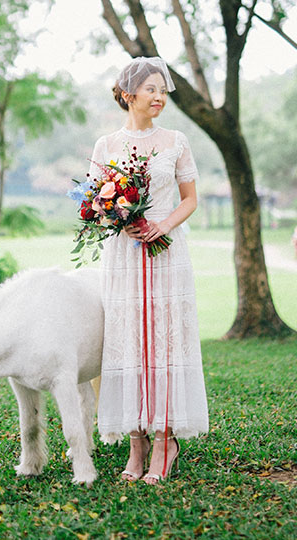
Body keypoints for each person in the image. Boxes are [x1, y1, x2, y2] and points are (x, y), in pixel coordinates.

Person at [88, 57, 209, 483]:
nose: (160, 97)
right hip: (124, 256)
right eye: (151, 89)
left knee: (164, 344)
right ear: (127, 95)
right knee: (128, 341)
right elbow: (96, 205)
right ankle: (135, 447)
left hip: (166, 252)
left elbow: (191, 199)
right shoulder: (106, 145)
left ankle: (164, 443)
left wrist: (161, 224)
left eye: (163, 89)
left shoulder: (176, 140)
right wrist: (120, 218)